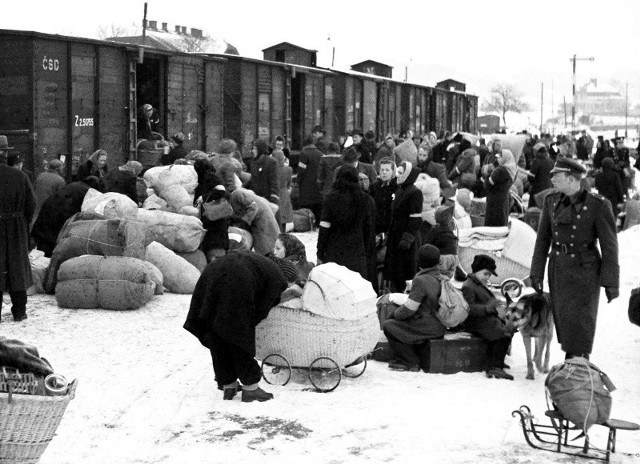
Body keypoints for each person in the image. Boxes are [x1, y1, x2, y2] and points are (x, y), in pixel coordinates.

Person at [530, 157, 619, 360]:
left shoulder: (598, 205)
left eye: (557, 175)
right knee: (564, 318)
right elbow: (542, 240)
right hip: (559, 268)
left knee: (582, 321)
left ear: (572, 179)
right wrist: (536, 272)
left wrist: (611, 282)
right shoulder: (551, 201)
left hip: (585, 271)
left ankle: (578, 362)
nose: (552, 179)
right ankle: (574, 360)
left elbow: (610, 247)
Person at [184, 251, 287, 402]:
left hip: (212, 271)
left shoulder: (261, 264)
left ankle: (228, 384)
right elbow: (260, 310)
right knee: (238, 333)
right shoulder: (279, 280)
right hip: (237, 277)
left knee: (216, 329)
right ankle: (251, 388)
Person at [382, 244, 446, 372]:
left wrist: (393, 315)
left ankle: (410, 361)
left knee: (389, 326)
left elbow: (409, 309)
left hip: (426, 325)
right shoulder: (441, 277)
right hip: (439, 325)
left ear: (420, 261)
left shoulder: (421, 280)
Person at [461, 254, 514, 380]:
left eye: (489, 275)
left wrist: (497, 306)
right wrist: (488, 308)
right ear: (476, 271)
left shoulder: (478, 284)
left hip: (484, 319)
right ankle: (494, 367)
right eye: (485, 274)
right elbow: (468, 308)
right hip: (474, 322)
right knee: (502, 333)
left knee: (508, 328)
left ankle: (498, 360)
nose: (487, 277)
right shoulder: (469, 286)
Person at [317, 164, 374, 280]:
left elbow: (324, 227)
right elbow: (368, 227)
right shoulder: (365, 199)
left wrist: (320, 252)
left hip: (334, 251)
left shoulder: (330, 198)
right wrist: (365, 250)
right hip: (356, 251)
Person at [0, 136, 35, 322]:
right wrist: (22, 222)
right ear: (5, 153)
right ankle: (19, 311)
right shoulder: (21, 176)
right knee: (17, 269)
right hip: (16, 226)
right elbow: (31, 205)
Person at [31, 176, 103, 257]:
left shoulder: (75, 185)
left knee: (44, 248)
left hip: (47, 213)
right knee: (53, 250)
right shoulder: (88, 192)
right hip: (59, 219)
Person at [219, 164, 280, 256]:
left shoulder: (238, 193)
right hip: (259, 224)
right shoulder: (237, 194)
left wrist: (244, 222)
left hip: (263, 223)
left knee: (268, 251)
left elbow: (253, 207)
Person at [383, 161, 423, 292]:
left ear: (408, 175)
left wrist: (407, 239)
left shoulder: (414, 192)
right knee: (396, 271)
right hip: (396, 236)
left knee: (404, 271)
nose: (397, 175)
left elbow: (415, 219)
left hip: (406, 241)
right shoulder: (401, 190)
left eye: (400, 173)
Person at [193, 159, 229, 261]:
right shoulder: (202, 180)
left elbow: (221, 190)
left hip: (215, 221)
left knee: (215, 252)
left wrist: (203, 198)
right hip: (212, 221)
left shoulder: (210, 177)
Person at [484, 149, 517, 227]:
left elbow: (488, 185)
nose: (498, 159)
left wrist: (487, 174)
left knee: (492, 225)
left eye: (500, 157)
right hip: (504, 199)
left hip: (494, 201)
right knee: (501, 222)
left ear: (505, 158)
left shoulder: (500, 171)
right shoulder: (512, 170)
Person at [296, 136, 323, 225]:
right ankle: (318, 223)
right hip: (317, 185)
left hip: (306, 186)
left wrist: (298, 181)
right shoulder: (320, 153)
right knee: (317, 207)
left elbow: (301, 170)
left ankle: (307, 224)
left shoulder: (304, 153)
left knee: (306, 207)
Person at [247, 138, 280, 207]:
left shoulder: (271, 162)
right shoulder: (253, 162)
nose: (252, 151)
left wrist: (274, 198)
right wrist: (242, 187)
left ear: (260, 150)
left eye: (255, 149)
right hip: (256, 198)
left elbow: (274, 181)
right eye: (252, 149)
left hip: (267, 199)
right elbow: (253, 178)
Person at [526, 143, 554, 209]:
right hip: (548, 188)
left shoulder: (537, 161)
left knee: (535, 209)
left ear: (537, 152)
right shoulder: (551, 161)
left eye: (534, 151)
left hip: (537, 189)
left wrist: (531, 183)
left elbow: (531, 176)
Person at [272, 149, 293, 233]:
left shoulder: (272, 170)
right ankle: (283, 233)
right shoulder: (288, 169)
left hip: (275, 193)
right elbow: (289, 183)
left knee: (276, 216)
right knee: (284, 217)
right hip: (284, 193)